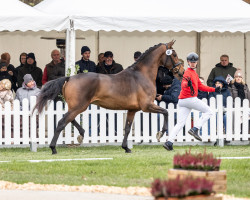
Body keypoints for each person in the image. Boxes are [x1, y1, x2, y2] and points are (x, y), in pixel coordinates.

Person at [163, 52, 220, 151]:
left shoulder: (194, 73)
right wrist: (187, 84)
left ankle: (169, 142)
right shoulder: (188, 72)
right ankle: (195, 129)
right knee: (209, 112)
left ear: (196, 62)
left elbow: (201, 86)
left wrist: (214, 89)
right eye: (191, 62)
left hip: (183, 101)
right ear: (188, 62)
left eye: (194, 62)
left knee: (180, 123)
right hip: (190, 99)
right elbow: (184, 83)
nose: (193, 63)